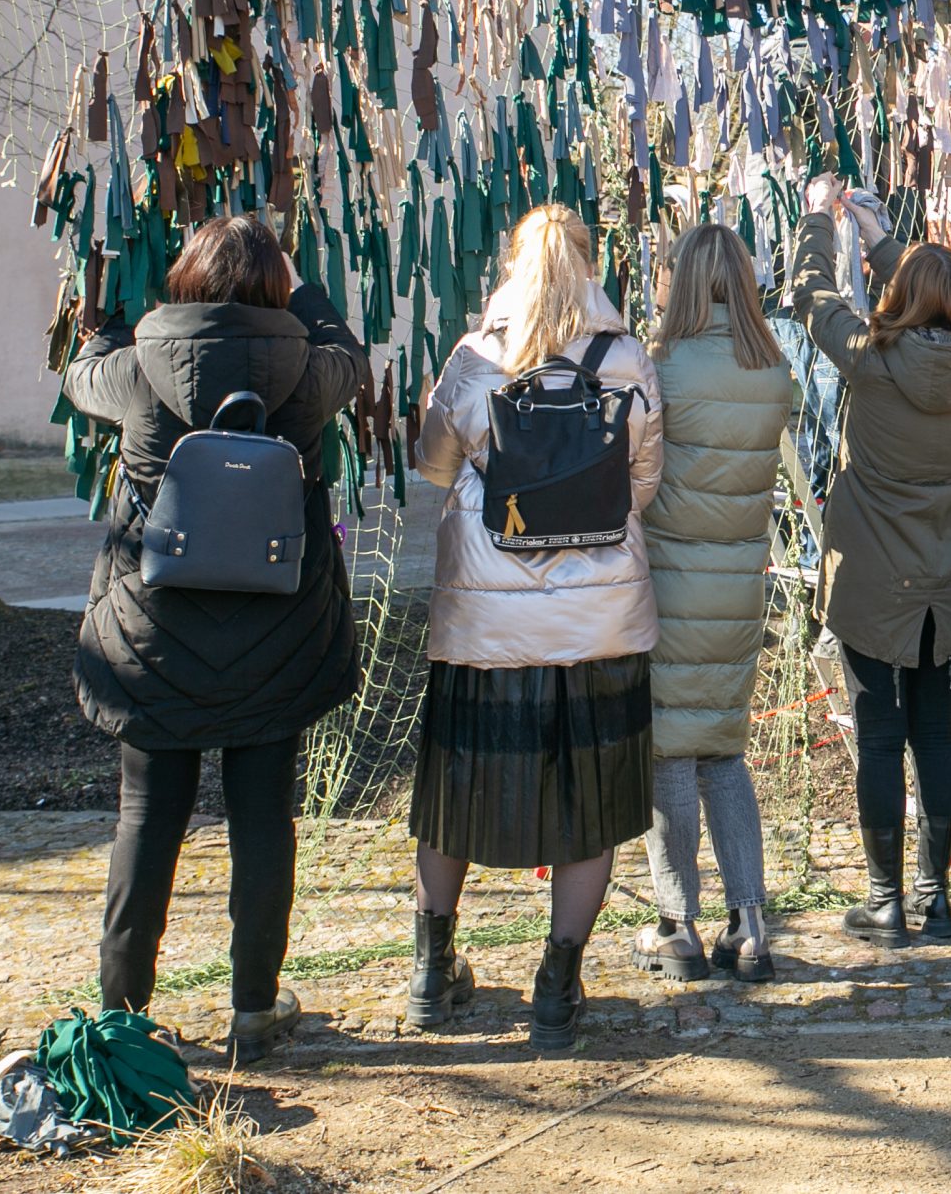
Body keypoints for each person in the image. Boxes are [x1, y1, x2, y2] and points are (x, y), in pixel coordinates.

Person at [64, 214, 366, 1062]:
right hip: (277, 641)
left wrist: (111, 320)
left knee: (145, 821)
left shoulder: (138, 367)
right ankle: (254, 1010)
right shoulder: (306, 369)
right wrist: (303, 290)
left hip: (153, 643)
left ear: (186, 276)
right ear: (276, 285)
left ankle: (122, 1016)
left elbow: (81, 376)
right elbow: (351, 353)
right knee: (264, 821)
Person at [407, 203, 665, 1053]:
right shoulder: (625, 360)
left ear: (513, 267)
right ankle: (557, 988)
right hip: (598, 622)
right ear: (590, 267)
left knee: (455, 790)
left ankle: (432, 971)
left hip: (487, 623)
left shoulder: (475, 357)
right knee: (592, 802)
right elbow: (642, 485)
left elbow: (432, 465)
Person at [791, 175, 951, 945]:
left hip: (874, 584)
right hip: (949, 581)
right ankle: (935, 898)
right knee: (936, 736)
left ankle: (887, 903)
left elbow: (811, 293)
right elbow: (929, 295)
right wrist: (881, 241)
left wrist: (819, 219)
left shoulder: (871, 356)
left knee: (879, 739)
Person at [635, 223, 796, 983]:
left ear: (686, 282)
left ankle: (678, 923)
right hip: (738, 591)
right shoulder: (773, 371)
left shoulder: (661, 367)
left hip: (670, 585)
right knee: (724, 754)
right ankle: (751, 922)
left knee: (669, 752)